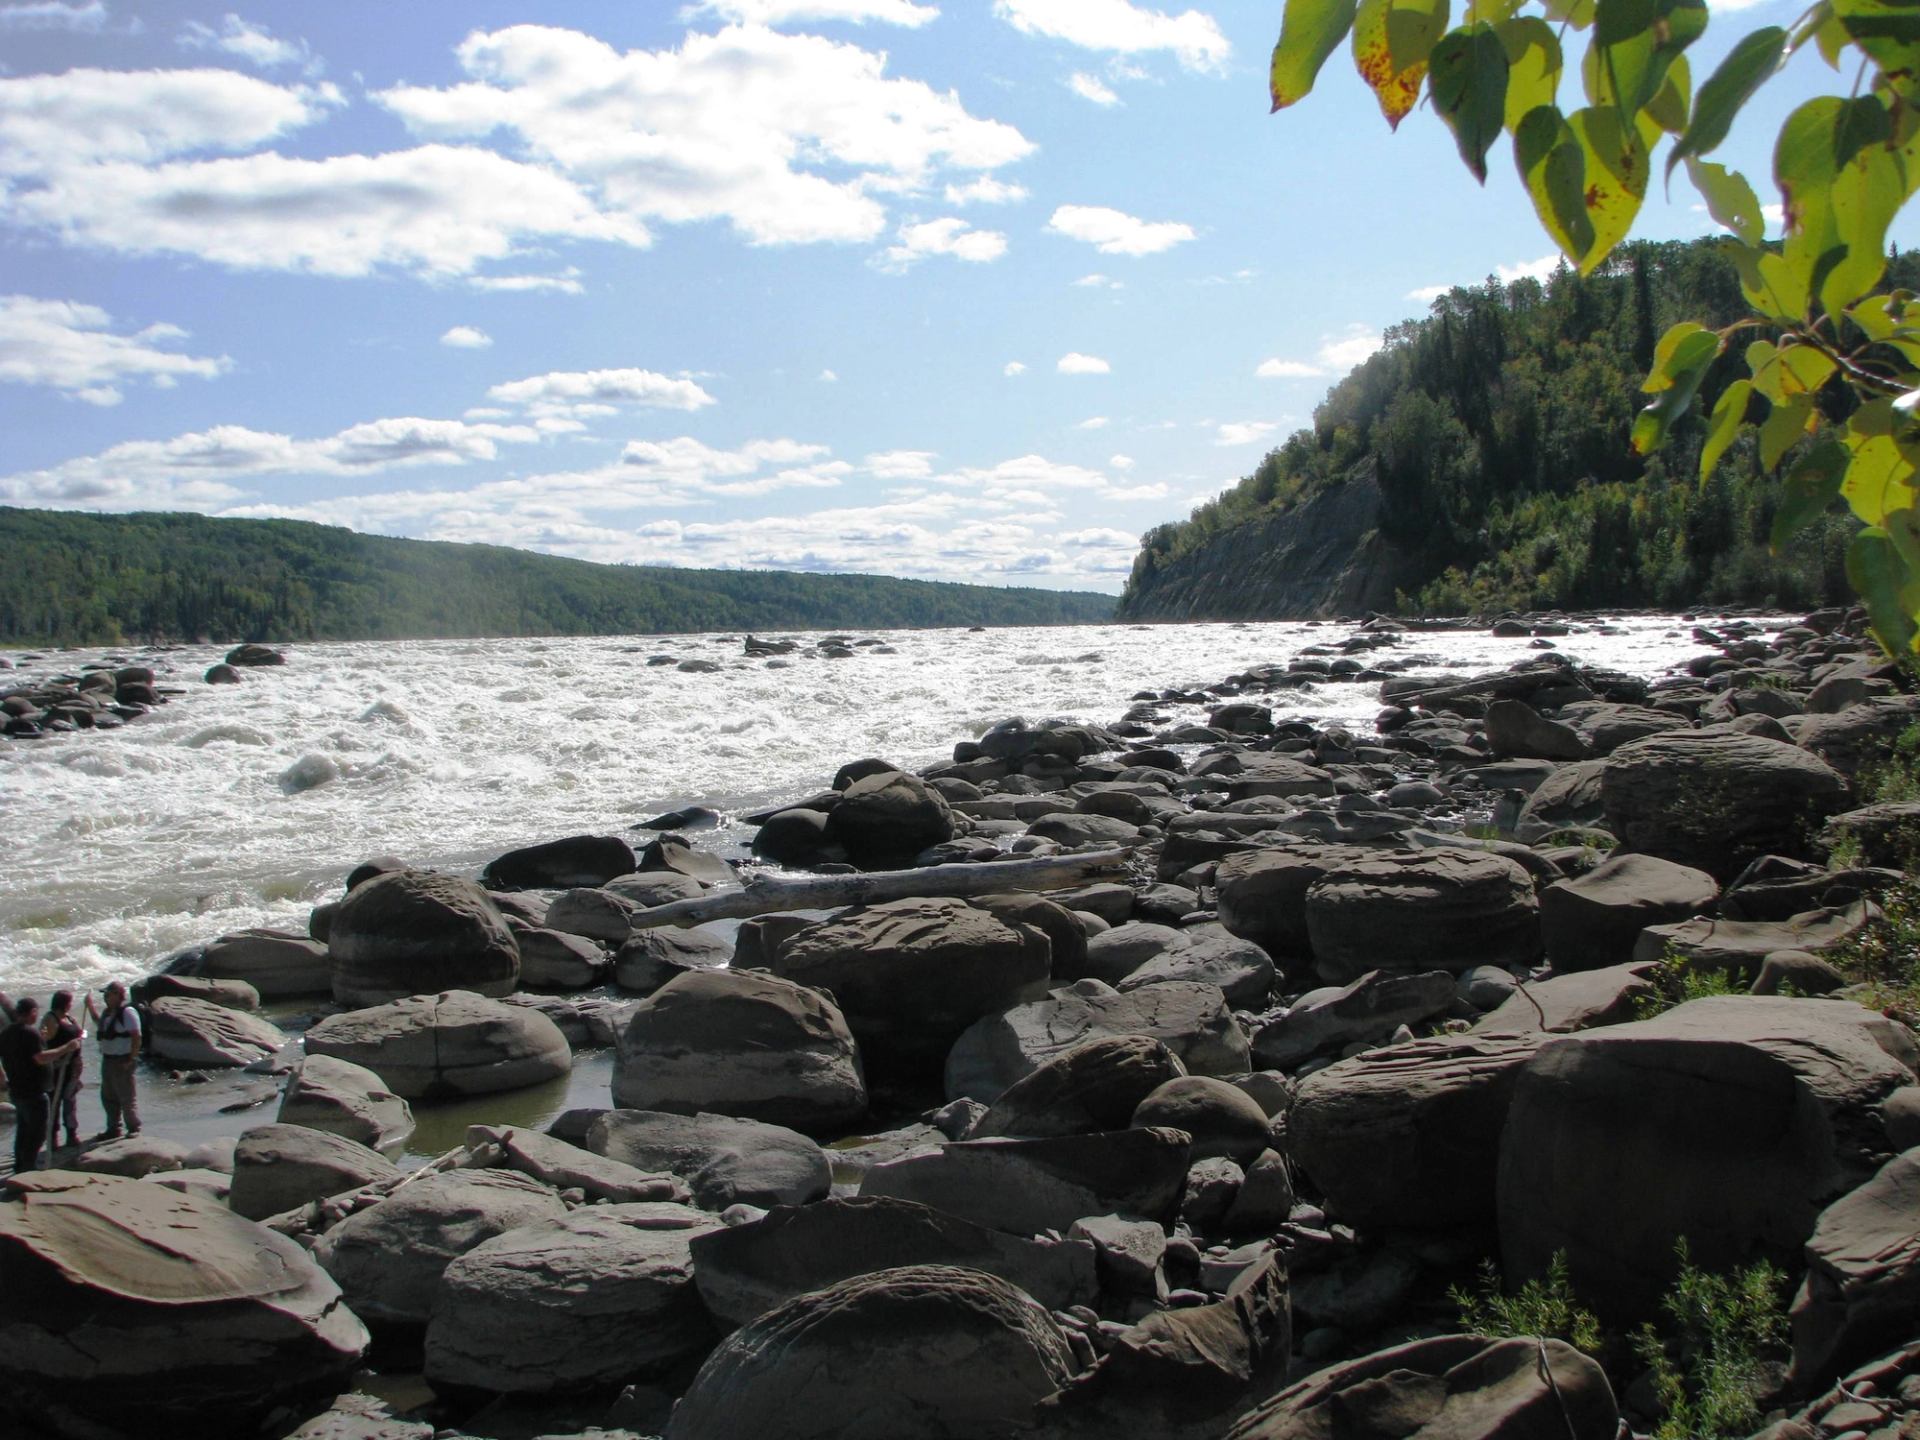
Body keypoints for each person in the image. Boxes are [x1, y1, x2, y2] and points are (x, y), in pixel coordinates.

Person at [2, 997, 82, 1174]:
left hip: (17, 1089)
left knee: (23, 1130)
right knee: (37, 1132)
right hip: (33, 1091)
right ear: (32, 1012)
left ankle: (20, 1166)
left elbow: (24, 1052)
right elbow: (40, 1058)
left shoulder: (7, 1032)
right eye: (36, 1012)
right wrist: (67, 1048)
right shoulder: (30, 1033)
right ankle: (28, 1167)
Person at [85, 982, 141, 1139]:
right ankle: (113, 1128)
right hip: (108, 1060)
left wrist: (132, 1058)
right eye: (104, 994)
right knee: (108, 1096)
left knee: (126, 1096)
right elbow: (99, 1024)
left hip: (123, 1060)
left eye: (108, 994)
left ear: (118, 994)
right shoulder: (107, 1014)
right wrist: (90, 1007)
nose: (105, 997)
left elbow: (136, 1037)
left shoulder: (128, 1012)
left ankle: (133, 1128)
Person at [40, 990, 84, 1152]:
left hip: (72, 1068)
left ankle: (71, 1134)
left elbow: (79, 1034)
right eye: (69, 1002)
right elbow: (42, 1042)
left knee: (70, 1102)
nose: (71, 1005)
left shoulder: (70, 1018)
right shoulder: (50, 1019)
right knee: (54, 1103)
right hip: (57, 1069)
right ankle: (52, 1139)